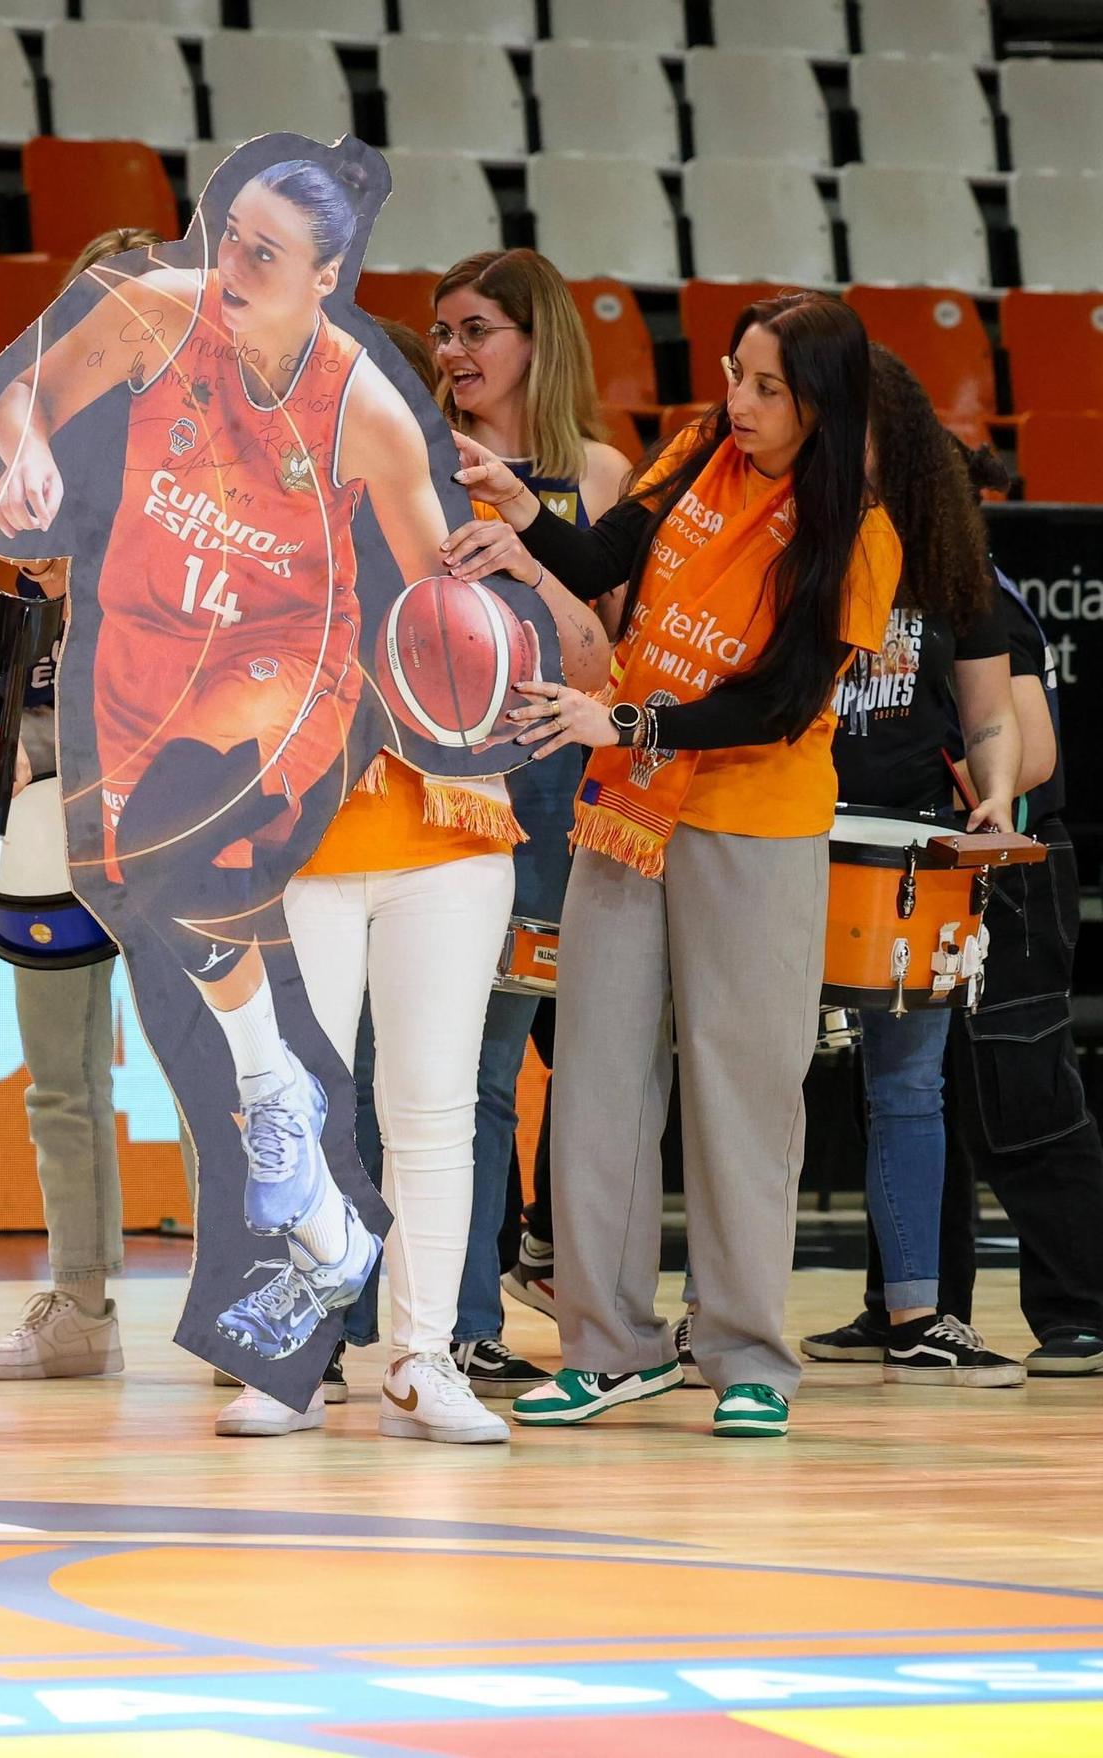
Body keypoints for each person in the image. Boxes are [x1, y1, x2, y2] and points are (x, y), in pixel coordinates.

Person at [0, 147, 606, 1438]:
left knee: (431, 1102)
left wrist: (527, 572)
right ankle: (286, 1352)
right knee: (274, 1099)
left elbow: (580, 661)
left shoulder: (403, 463)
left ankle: (425, 1354)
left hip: (445, 828)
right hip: (290, 832)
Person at [445, 292, 901, 1440]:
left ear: (819, 404)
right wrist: (517, 509)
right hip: (629, 804)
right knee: (595, 1080)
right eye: (731, 375)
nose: (736, 404)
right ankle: (607, 1349)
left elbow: (781, 701)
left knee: (740, 1092)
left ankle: (743, 1351)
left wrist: (631, 727)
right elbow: (602, 551)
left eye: (765, 390)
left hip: (750, 820)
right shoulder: (695, 450)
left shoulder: (858, 531)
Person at [807, 437, 1103, 1377]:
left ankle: (1080, 1311)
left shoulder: (976, 594)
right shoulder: (851, 581)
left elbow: (1035, 753)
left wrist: (961, 797)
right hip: (894, 869)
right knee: (902, 1092)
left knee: (1020, 1095)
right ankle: (907, 1305)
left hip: (1000, 868)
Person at [0, 228, 163, 1383]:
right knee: (59, 1076)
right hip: (47, 762)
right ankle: (80, 1306)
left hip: (175, 777)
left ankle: (255, 1314)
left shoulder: (213, 448)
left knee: (209, 1065)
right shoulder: (27, 438)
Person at [430, 249, 633, 1399]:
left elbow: (607, 660)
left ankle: (516, 1316)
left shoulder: (596, 473)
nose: (453, 354)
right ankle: (422, 1315)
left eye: (474, 331)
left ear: (533, 340)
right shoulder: (409, 465)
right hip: (439, 781)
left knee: (539, 1060)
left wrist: (527, 553)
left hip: (558, 791)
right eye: (441, 333)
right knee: (435, 1063)